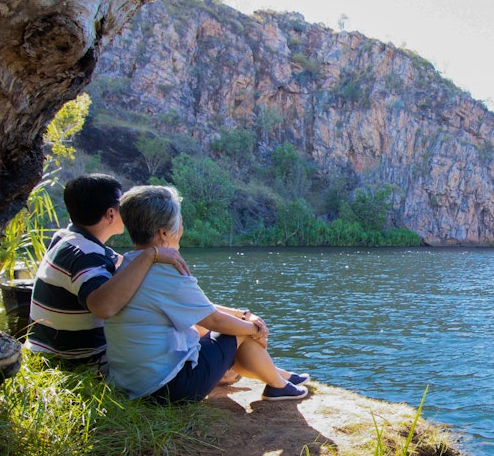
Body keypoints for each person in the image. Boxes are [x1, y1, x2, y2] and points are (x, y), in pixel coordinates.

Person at [103, 184, 309, 403]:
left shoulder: (128, 265)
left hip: (133, 383)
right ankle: (277, 385)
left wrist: (243, 315)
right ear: (164, 233)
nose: (182, 228)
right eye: (179, 222)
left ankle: (278, 376)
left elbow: (200, 307)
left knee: (222, 329)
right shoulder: (166, 272)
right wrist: (254, 329)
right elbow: (214, 320)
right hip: (167, 389)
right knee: (233, 332)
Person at [26, 173, 190, 367]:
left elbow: (142, 280)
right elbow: (104, 307)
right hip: (77, 364)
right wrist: (150, 254)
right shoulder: (84, 254)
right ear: (111, 214)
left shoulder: (68, 240)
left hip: (50, 355)